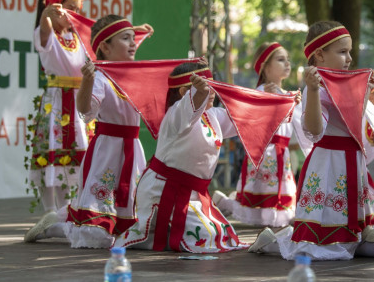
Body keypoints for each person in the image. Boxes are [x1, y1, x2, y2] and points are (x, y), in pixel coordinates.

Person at [248, 21, 374, 261]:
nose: (349, 58)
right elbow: (314, 130)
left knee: (344, 237)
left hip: (351, 160)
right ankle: (272, 241)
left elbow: (353, 123)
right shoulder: (318, 87)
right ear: (320, 54)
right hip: (330, 162)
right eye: (342, 52)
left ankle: (350, 234)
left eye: (349, 51)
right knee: (318, 244)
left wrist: (365, 94)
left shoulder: (347, 82)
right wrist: (312, 91)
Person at [24, 15, 150, 248]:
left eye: (134, 39)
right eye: (126, 39)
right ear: (104, 47)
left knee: (136, 225)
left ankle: (63, 216)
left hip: (133, 152)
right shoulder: (100, 77)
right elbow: (84, 108)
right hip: (108, 152)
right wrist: (87, 82)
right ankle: (54, 227)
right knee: (97, 234)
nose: (133, 43)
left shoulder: (136, 75)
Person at [114, 62, 247, 252]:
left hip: (191, 193)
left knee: (223, 234)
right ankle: (155, 234)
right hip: (163, 190)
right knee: (206, 236)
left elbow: (246, 118)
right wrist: (198, 93)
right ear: (185, 92)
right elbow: (189, 108)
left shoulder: (212, 116)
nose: (212, 92)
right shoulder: (177, 113)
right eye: (206, 88)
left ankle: (161, 233)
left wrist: (282, 105)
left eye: (211, 86)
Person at [213, 42, 310, 227]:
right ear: (265, 66)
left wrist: (292, 103)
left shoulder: (288, 94)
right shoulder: (259, 93)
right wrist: (271, 99)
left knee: (278, 194)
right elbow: (251, 119)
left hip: (282, 152)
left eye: (287, 59)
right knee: (263, 194)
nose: (287, 63)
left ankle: (228, 204)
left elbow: (297, 123)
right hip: (265, 152)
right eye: (281, 59)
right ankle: (237, 207)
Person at [28, 0, 90, 216]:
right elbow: (45, 28)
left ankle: (66, 210)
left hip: (77, 101)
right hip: (56, 101)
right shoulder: (47, 36)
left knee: (74, 156)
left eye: (77, 8)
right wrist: (46, 14)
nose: (74, 13)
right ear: (56, 7)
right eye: (69, 7)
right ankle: (49, 212)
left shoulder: (79, 38)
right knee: (51, 152)